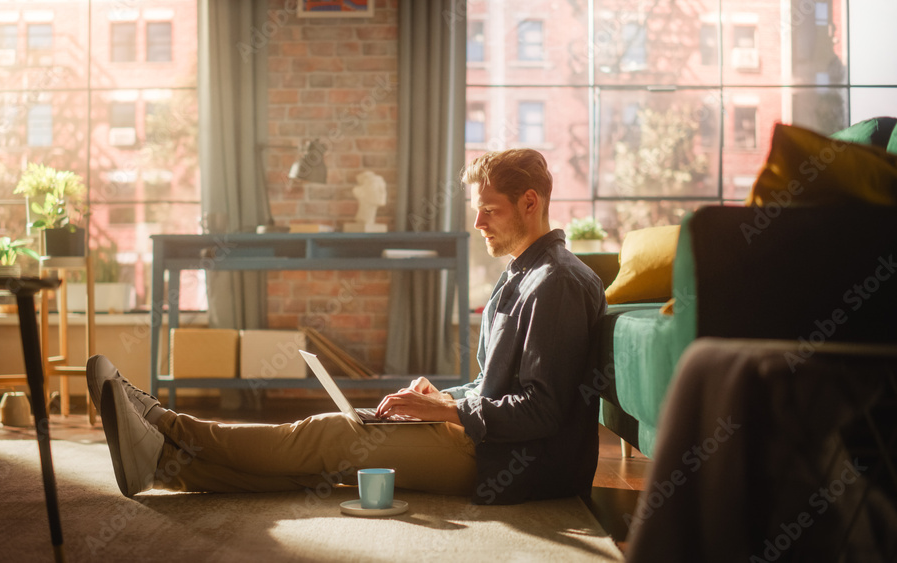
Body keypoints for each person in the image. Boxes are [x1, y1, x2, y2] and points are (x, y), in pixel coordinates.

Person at [89, 148, 606, 504]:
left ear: (530, 203)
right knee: (335, 445)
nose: (478, 224)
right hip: (483, 438)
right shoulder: (524, 273)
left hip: (506, 461)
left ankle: (161, 422)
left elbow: (543, 410)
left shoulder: (554, 283)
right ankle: (160, 462)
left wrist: (449, 409)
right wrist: (442, 397)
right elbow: (498, 387)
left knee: (333, 437)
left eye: (489, 210)